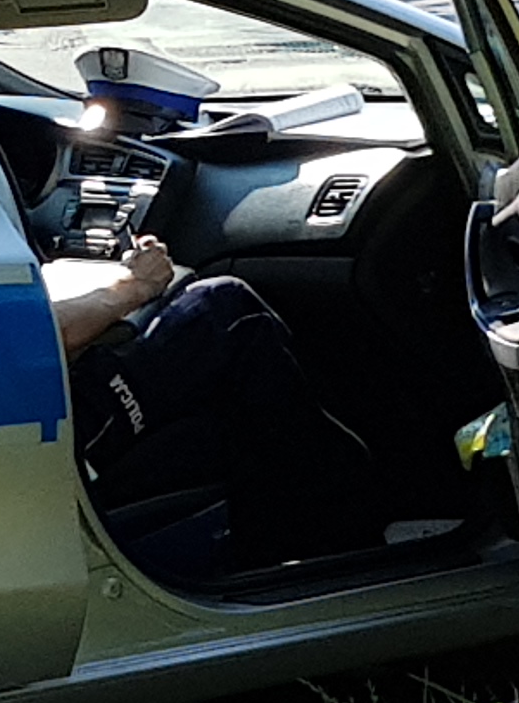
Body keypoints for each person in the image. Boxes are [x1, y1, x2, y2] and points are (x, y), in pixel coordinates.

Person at [48, 235, 382, 578]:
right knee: (226, 308)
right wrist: (137, 285)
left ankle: (289, 535)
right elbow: (29, 335)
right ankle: (340, 534)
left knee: (212, 399)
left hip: (32, 414)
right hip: (58, 424)